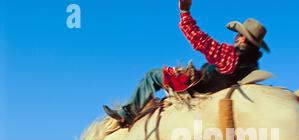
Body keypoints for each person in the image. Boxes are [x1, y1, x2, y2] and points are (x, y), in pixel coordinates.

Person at [103, 0, 270, 126]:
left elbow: (199, 40)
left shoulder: (230, 55)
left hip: (200, 86)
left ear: (244, 39)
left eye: (239, 35)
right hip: (221, 92)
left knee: (152, 76)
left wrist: (184, 12)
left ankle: (128, 114)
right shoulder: (253, 65)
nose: (236, 37)